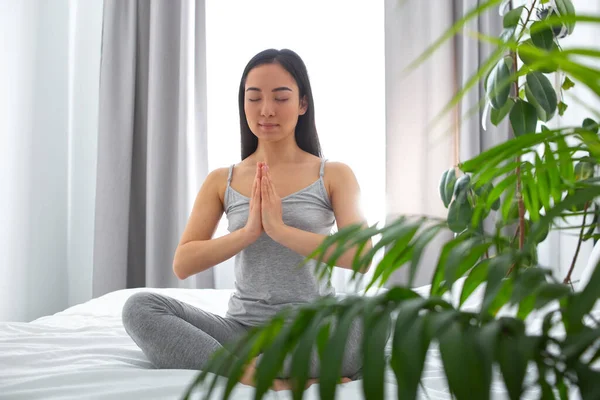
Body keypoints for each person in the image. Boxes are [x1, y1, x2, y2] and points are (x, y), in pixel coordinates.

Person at [122, 48, 372, 391]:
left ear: (302, 104)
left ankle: (247, 368)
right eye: (253, 98)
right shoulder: (222, 179)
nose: (266, 110)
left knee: (373, 316)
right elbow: (183, 263)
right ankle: (260, 374)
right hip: (241, 332)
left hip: (313, 327)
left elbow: (361, 257)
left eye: (281, 98)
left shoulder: (334, 174)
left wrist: (280, 230)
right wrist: (248, 233)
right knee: (139, 307)